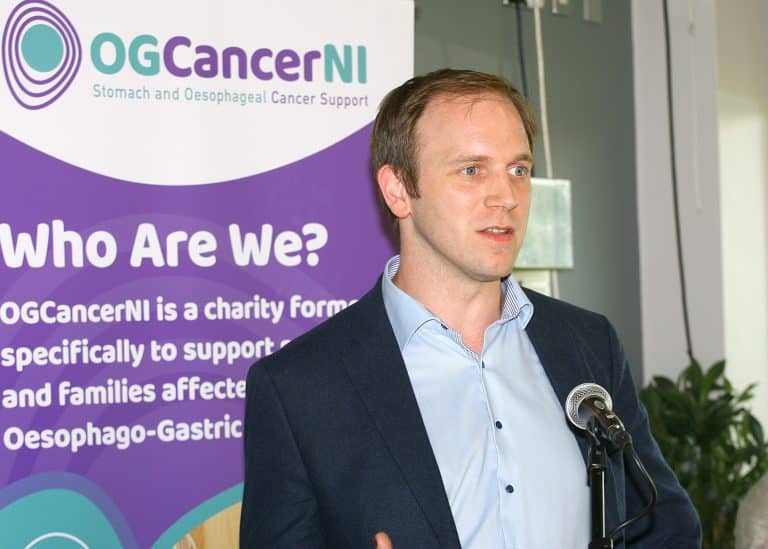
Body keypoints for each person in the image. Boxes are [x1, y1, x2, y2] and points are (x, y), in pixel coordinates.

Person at [239, 69, 702, 548]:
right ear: (398, 190)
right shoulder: (301, 387)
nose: (506, 197)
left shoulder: (588, 343)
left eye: (518, 170)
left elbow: (667, 530)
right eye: (472, 170)